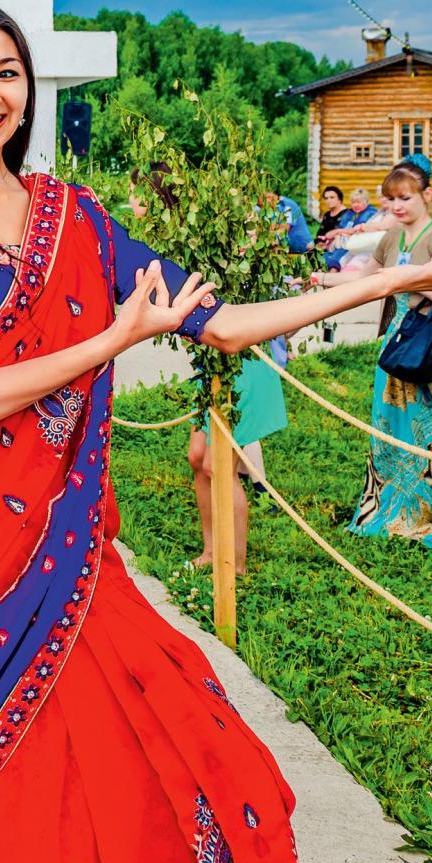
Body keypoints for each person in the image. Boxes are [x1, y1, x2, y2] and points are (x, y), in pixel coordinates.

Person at [0, 1, 432, 863]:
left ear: (28, 90)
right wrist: (108, 343)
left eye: (6, 72)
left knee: (166, 760)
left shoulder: (75, 218)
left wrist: (394, 278)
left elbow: (222, 323)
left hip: (69, 560)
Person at [315, 156, 432, 556]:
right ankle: (394, 515)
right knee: (391, 432)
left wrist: (410, 283)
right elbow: (364, 280)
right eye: (391, 199)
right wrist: (320, 279)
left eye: (405, 198)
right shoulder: (391, 239)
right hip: (400, 345)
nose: (397, 206)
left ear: (426, 195)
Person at [128, 171, 288, 575]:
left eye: (136, 195)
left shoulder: (200, 237)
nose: (131, 203)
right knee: (198, 457)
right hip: (209, 362)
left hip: (242, 359)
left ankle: (235, 565)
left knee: (219, 464)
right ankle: (211, 551)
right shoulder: (165, 243)